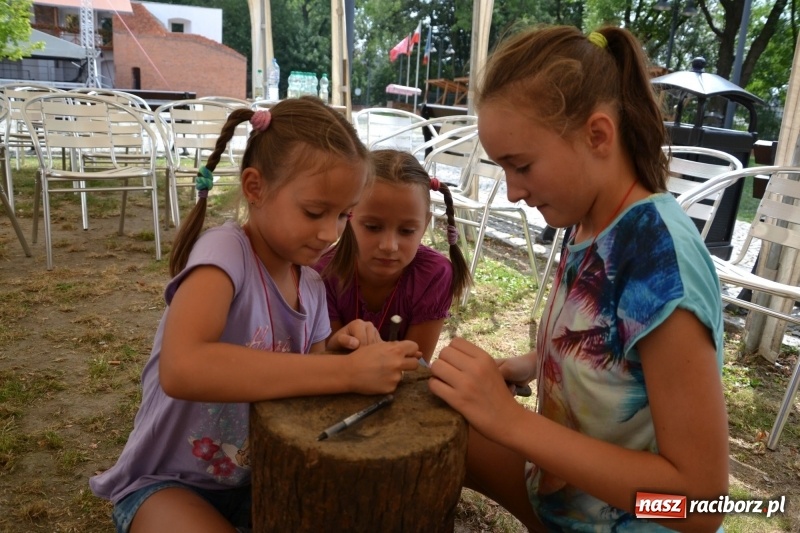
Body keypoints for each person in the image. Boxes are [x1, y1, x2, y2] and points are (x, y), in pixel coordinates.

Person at [428, 26, 729, 532]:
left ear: (597, 135)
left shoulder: (658, 260)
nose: (512, 192)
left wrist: (511, 422)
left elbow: (700, 505)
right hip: (563, 501)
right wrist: (531, 364)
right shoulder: (591, 221)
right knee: (433, 428)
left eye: (521, 166)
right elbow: (615, 350)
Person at [89, 97, 421, 533]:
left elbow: (303, 381)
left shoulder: (313, 289)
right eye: (314, 212)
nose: (330, 233)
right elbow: (183, 367)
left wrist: (339, 355)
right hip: (165, 485)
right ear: (255, 187)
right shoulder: (224, 253)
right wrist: (347, 374)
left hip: (257, 479)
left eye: (343, 216)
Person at [314, 149, 471, 362]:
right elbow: (330, 360)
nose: (389, 246)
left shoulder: (435, 275)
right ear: (348, 215)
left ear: (425, 225)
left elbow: (414, 363)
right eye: (372, 227)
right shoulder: (321, 274)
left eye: (406, 231)